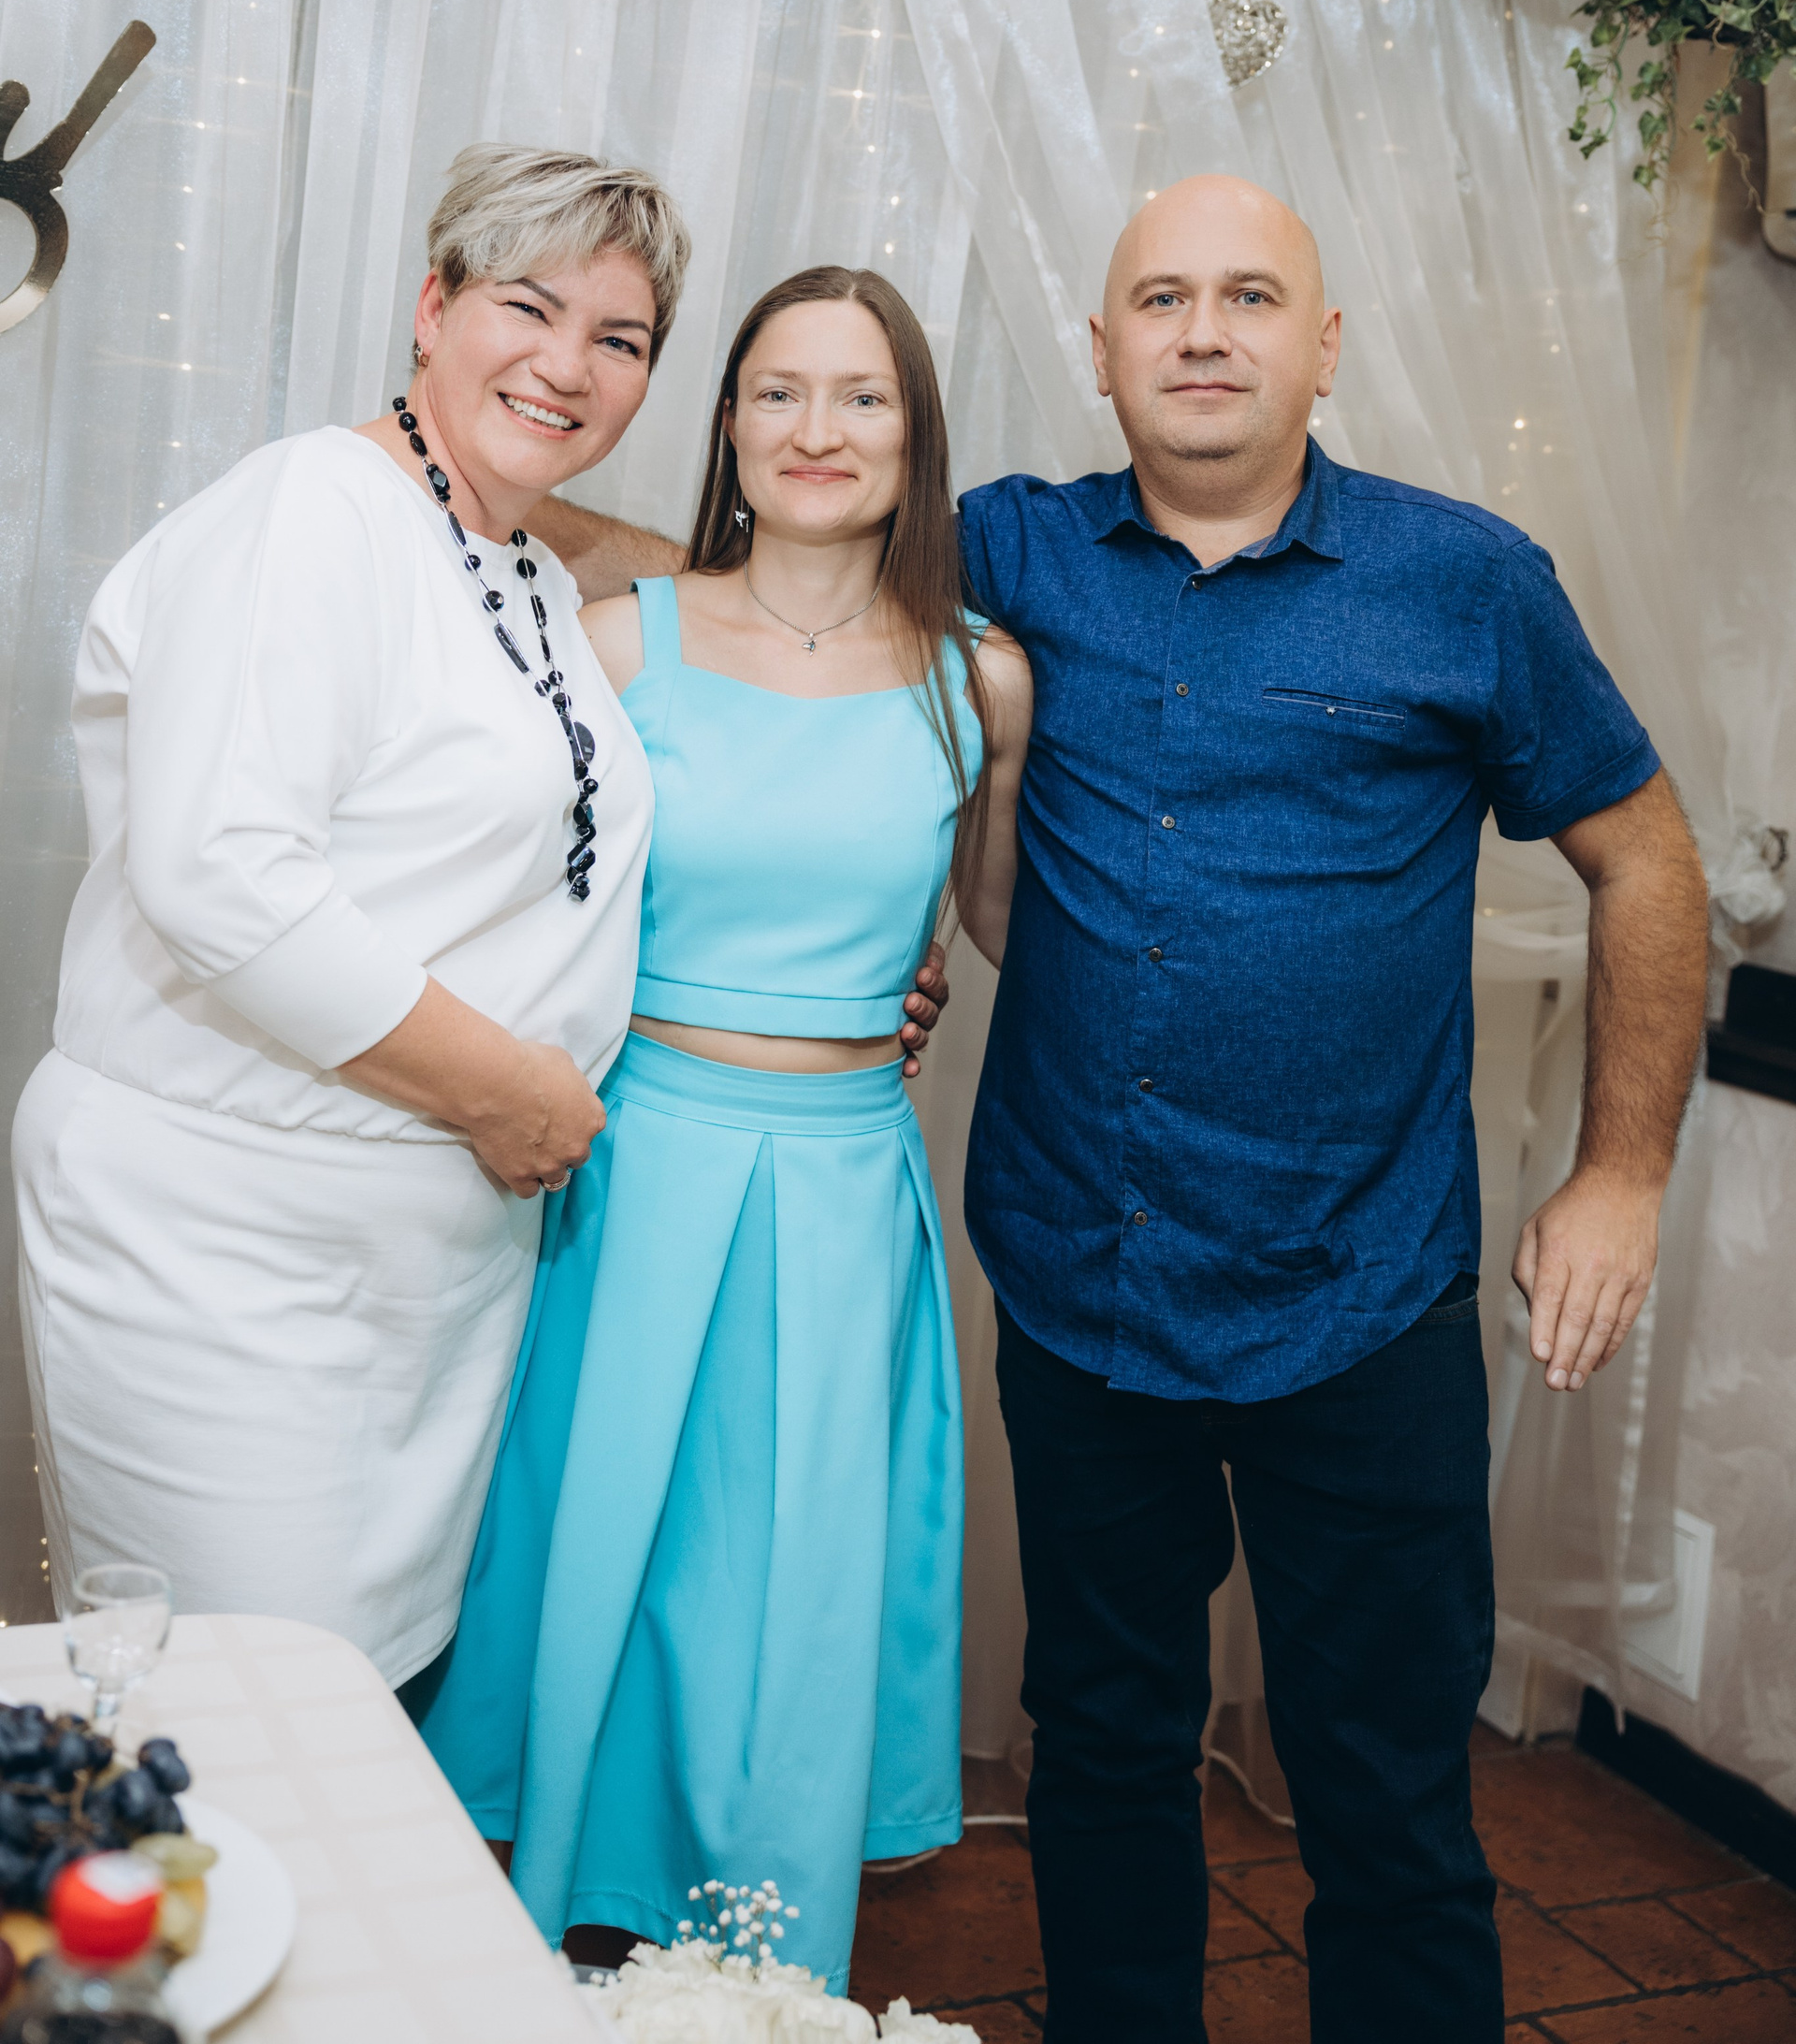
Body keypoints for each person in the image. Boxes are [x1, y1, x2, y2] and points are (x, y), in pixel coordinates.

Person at [538, 176, 1711, 2044]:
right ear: (1100, 352)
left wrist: (1623, 1172)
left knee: (1390, 1798)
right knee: (1099, 1757)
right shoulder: (1010, 552)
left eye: (1251, 296)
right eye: (1161, 299)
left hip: (1364, 1295)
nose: (1203, 333)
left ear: (1326, 344)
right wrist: (465, 494)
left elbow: (1644, 855)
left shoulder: (1466, 581)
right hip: (1088, 1285)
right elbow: (775, 569)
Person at [409, 267, 1033, 1997]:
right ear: (732, 426)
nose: (818, 430)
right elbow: (511, 907)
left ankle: (753, 1967)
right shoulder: (624, 645)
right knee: (601, 1544)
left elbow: (1002, 929)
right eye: (779, 392)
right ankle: (547, 1927)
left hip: (841, 1182)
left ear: (916, 435)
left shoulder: (982, 683)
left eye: (861, 396)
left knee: (786, 1585)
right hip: (639, 1166)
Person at [14, 143, 688, 1684]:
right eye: (529, 307)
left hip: (423, 1274)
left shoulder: (519, 565)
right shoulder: (307, 511)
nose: (569, 365)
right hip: (228, 1252)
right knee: (246, 1712)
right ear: (433, 308)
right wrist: (508, 1089)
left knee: (362, 1713)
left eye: (621, 338)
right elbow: (221, 870)